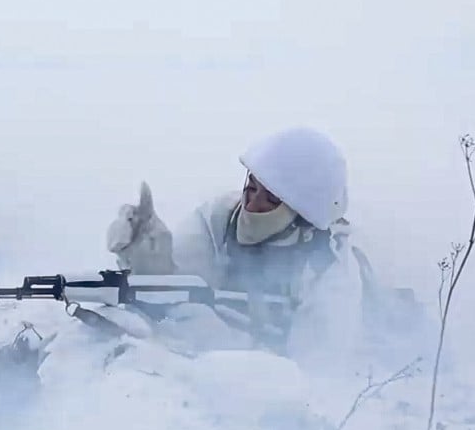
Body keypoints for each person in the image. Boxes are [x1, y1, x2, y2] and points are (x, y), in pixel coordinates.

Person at [106, 126, 364, 362]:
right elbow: (174, 284)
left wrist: (223, 345)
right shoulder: (220, 217)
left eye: (271, 199)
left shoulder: (329, 272)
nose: (251, 204)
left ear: (302, 214)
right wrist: (147, 259)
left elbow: (313, 379)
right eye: (251, 187)